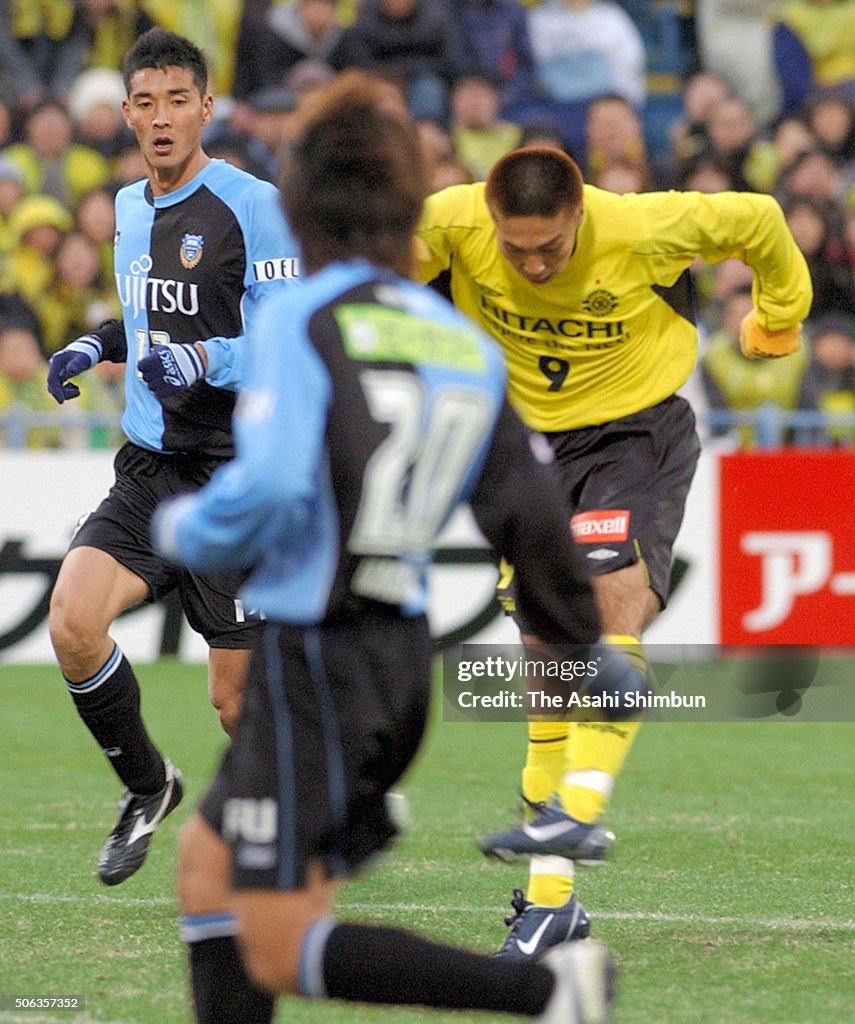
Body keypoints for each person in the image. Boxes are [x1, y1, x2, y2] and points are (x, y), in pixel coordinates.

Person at [150, 74, 643, 1024]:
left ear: (295, 202)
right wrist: (584, 648)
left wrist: (182, 530)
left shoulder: (302, 317)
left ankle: (546, 992)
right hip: (396, 659)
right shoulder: (454, 339)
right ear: (410, 206)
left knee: (275, 941)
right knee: (207, 872)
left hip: (315, 661)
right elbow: (531, 519)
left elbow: (268, 489)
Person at [415, 145, 813, 958]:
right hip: (526, 451)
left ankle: (582, 807)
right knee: (546, 671)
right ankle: (550, 904)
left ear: (579, 218)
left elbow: (760, 219)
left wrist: (779, 313)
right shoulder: (450, 220)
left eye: (549, 248)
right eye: (514, 247)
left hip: (633, 436)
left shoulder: (640, 227)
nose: (530, 263)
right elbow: (355, 266)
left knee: (606, 614)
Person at [43, 28, 300, 887]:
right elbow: (150, 319)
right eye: (144, 103)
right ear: (125, 112)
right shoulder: (123, 207)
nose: (159, 118)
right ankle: (148, 787)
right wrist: (95, 344)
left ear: (205, 108)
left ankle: (303, 826)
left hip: (233, 477)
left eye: (175, 101)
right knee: (73, 624)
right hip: (150, 469)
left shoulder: (252, 203)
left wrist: (206, 361)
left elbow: (282, 335)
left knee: (235, 704)